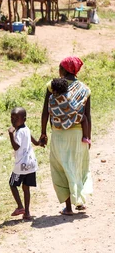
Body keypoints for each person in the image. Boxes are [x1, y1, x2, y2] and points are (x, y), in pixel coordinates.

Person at [40, 57, 92, 215]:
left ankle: (68, 207)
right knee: (78, 166)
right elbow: (87, 116)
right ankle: (80, 202)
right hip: (78, 133)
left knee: (60, 168)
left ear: (63, 70)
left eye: (59, 68)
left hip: (58, 133)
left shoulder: (52, 86)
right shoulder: (84, 89)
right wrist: (88, 137)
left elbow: (45, 112)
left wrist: (43, 132)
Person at [8, 107, 40, 220]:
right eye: (12, 118)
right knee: (26, 188)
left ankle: (20, 207)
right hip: (31, 164)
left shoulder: (19, 132)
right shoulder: (26, 128)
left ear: (24, 119)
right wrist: (38, 143)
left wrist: (11, 134)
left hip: (21, 166)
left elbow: (16, 146)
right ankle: (27, 212)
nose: (13, 120)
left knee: (12, 184)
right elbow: (31, 138)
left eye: (16, 118)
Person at [51, 77, 91, 146]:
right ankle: (85, 137)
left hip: (57, 123)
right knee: (84, 118)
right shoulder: (68, 97)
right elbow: (74, 107)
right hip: (70, 121)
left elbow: (50, 110)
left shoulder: (51, 98)